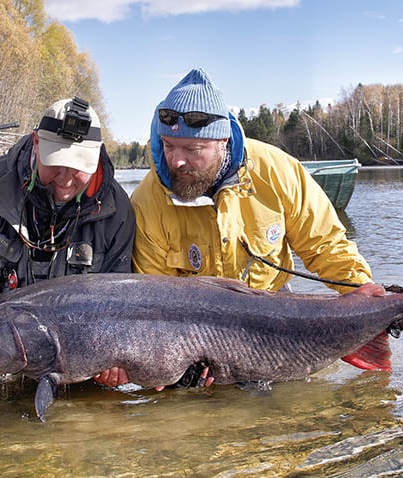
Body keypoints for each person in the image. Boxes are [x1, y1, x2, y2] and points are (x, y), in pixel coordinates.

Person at [95, 68, 372, 388]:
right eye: (169, 146)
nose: (176, 161)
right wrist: (160, 368)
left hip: (272, 313)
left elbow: (325, 245)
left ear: (222, 141)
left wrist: (363, 294)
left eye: (192, 150)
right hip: (191, 329)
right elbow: (153, 304)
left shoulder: (277, 170)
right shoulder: (147, 202)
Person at [0, 97, 135, 307]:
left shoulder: (117, 208)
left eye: (78, 168)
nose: (66, 179)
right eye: (56, 163)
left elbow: (115, 296)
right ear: (36, 143)